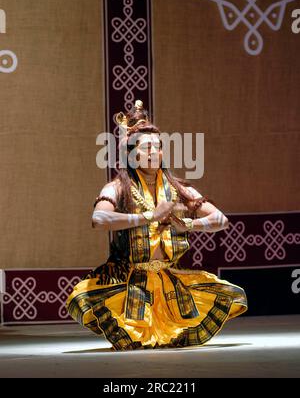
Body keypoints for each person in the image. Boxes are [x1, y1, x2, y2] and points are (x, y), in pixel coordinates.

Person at [66, 100, 247, 350]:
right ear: (131, 154)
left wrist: (188, 224)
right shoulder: (118, 188)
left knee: (222, 295)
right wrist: (148, 216)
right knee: (83, 297)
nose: (154, 153)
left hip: (168, 279)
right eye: (147, 148)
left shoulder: (177, 188)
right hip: (131, 278)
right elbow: (99, 219)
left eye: (158, 147)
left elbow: (220, 220)